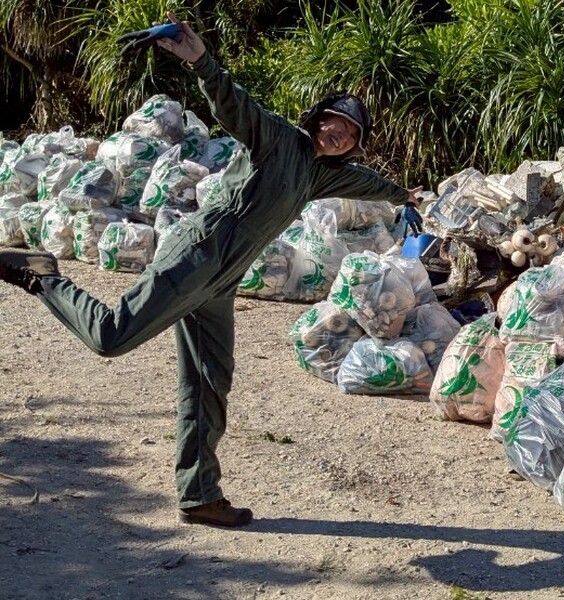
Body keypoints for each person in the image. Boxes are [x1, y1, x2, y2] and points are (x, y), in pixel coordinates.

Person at [0, 12, 419, 527]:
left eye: (351, 134)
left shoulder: (318, 175)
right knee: (111, 337)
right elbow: (232, 103)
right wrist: (200, 59)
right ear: (319, 117)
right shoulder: (277, 139)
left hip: (221, 281)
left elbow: (368, 184)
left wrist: (405, 196)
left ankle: (199, 494)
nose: (340, 135)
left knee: (207, 382)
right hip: (195, 255)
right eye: (337, 123)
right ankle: (43, 276)